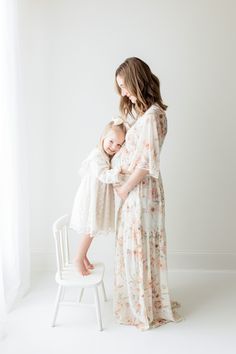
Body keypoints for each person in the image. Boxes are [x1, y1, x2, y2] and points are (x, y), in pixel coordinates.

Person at [112, 57, 182, 330]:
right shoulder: (146, 115)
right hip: (139, 190)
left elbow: (147, 162)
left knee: (140, 245)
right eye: (120, 88)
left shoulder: (152, 116)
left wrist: (126, 188)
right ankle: (140, 301)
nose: (123, 93)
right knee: (137, 245)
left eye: (124, 86)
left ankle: (144, 306)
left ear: (136, 80)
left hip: (141, 191)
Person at [70, 118, 126, 275]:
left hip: (97, 198)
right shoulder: (96, 156)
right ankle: (78, 258)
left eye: (118, 145)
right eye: (111, 141)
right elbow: (103, 176)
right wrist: (118, 173)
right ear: (103, 138)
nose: (113, 147)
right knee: (90, 230)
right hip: (91, 199)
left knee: (91, 229)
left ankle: (83, 256)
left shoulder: (106, 156)